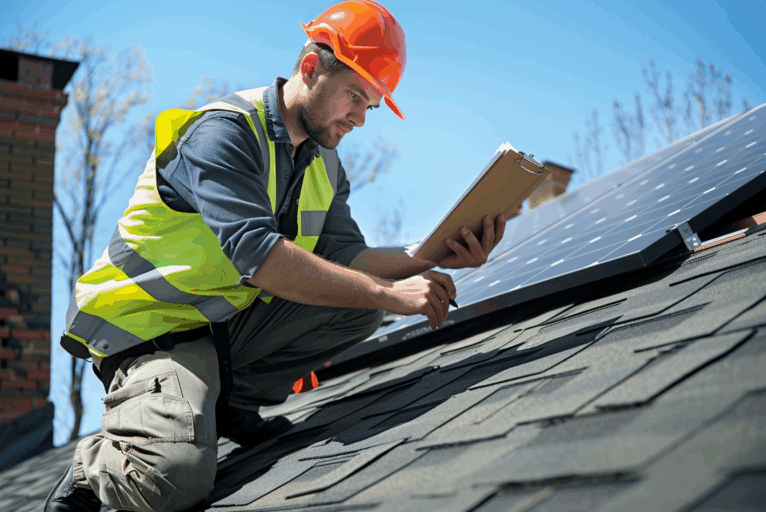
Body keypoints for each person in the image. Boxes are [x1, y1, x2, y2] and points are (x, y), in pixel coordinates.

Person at [44, 1, 506, 511]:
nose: (360, 119)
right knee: (171, 479)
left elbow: (347, 257)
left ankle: (226, 404)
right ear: (310, 68)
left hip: (223, 330)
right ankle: (91, 468)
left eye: (369, 106)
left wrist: (436, 253)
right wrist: (389, 292)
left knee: (358, 304)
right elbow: (258, 255)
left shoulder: (324, 163)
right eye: (354, 96)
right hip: (153, 333)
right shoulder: (224, 135)